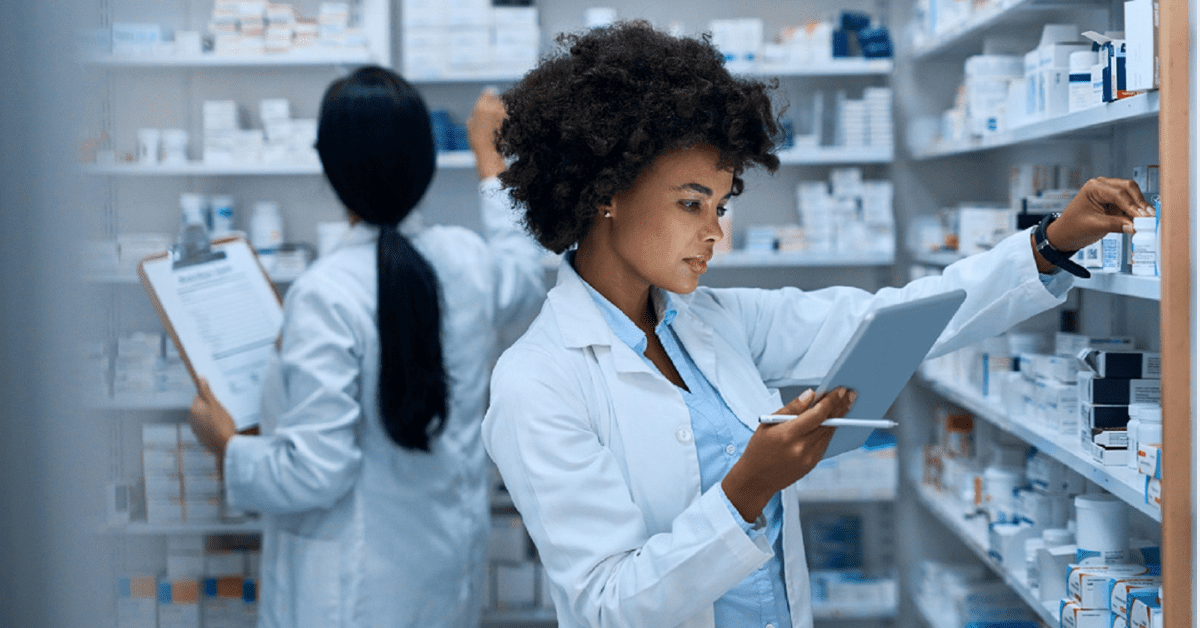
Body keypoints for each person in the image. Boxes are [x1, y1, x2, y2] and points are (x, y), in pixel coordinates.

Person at [481, 22, 1153, 628]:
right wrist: (748, 487)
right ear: (605, 193)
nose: (715, 233)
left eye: (720, 204)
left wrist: (1050, 243)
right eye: (692, 204)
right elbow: (607, 605)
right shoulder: (538, 381)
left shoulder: (711, 321)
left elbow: (890, 319)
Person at [186, 66, 546, 628]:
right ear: (425, 160)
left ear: (329, 168)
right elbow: (524, 276)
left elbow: (314, 473)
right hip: (444, 568)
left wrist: (226, 445)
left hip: (351, 591)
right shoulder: (468, 261)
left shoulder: (326, 292)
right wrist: (489, 160)